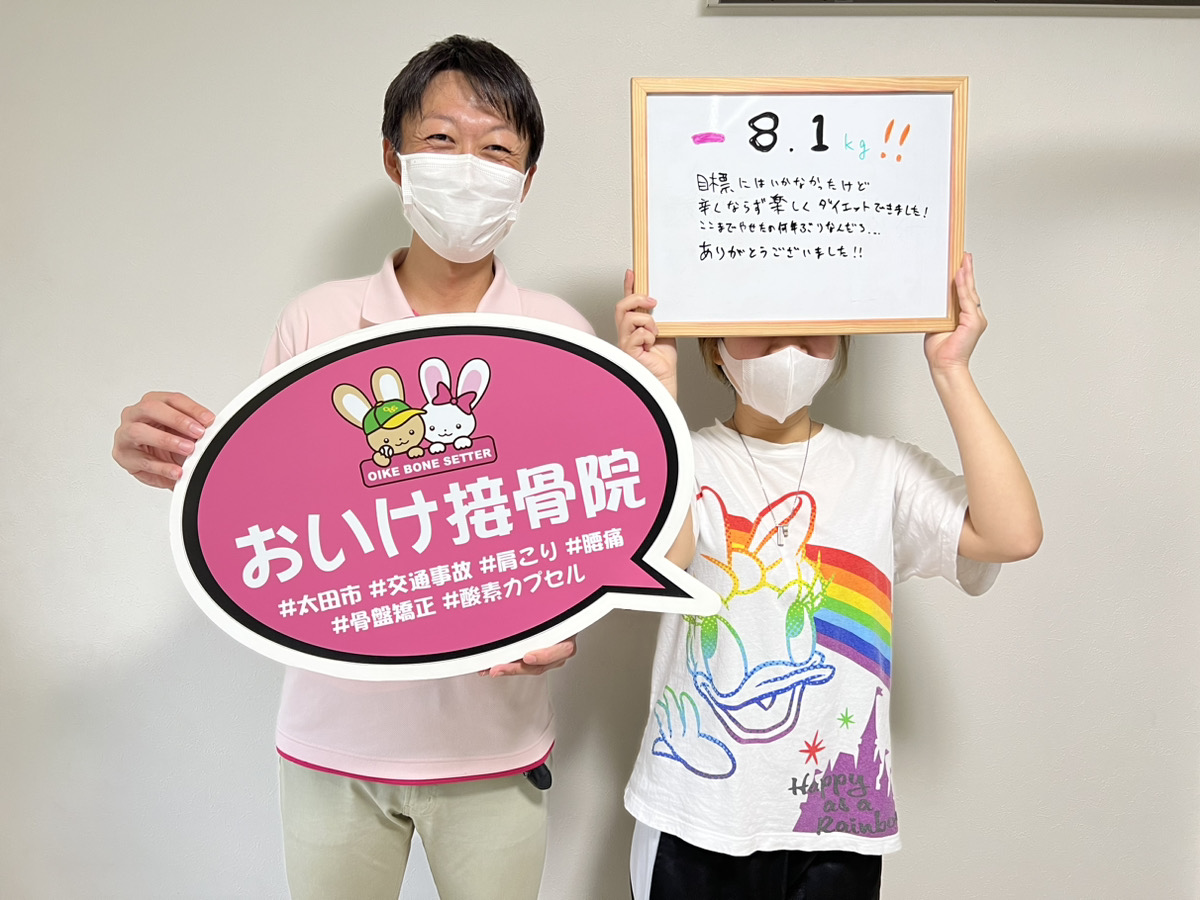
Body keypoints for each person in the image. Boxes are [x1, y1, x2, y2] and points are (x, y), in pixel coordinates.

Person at [112, 35, 589, 900]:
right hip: (332, 745)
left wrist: (569, 620)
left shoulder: (560, 334)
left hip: (495, 748)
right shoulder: (317, 321)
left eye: (497, 149)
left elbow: (587, 517)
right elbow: (266, 500)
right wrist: (175, 459)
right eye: (441, 140)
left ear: (525, 180)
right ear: (394, 158)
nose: (469, 168)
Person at [615, 257, 1042, 900]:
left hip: (838, 823)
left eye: (811, 325)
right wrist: (655, 400)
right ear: (713, 341)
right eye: (759, 324)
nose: (787, 347)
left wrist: (951, 369)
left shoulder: (881, 469)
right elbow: (659, 562)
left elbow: (1013, 534)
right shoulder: (688, 457)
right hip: (696, 818)